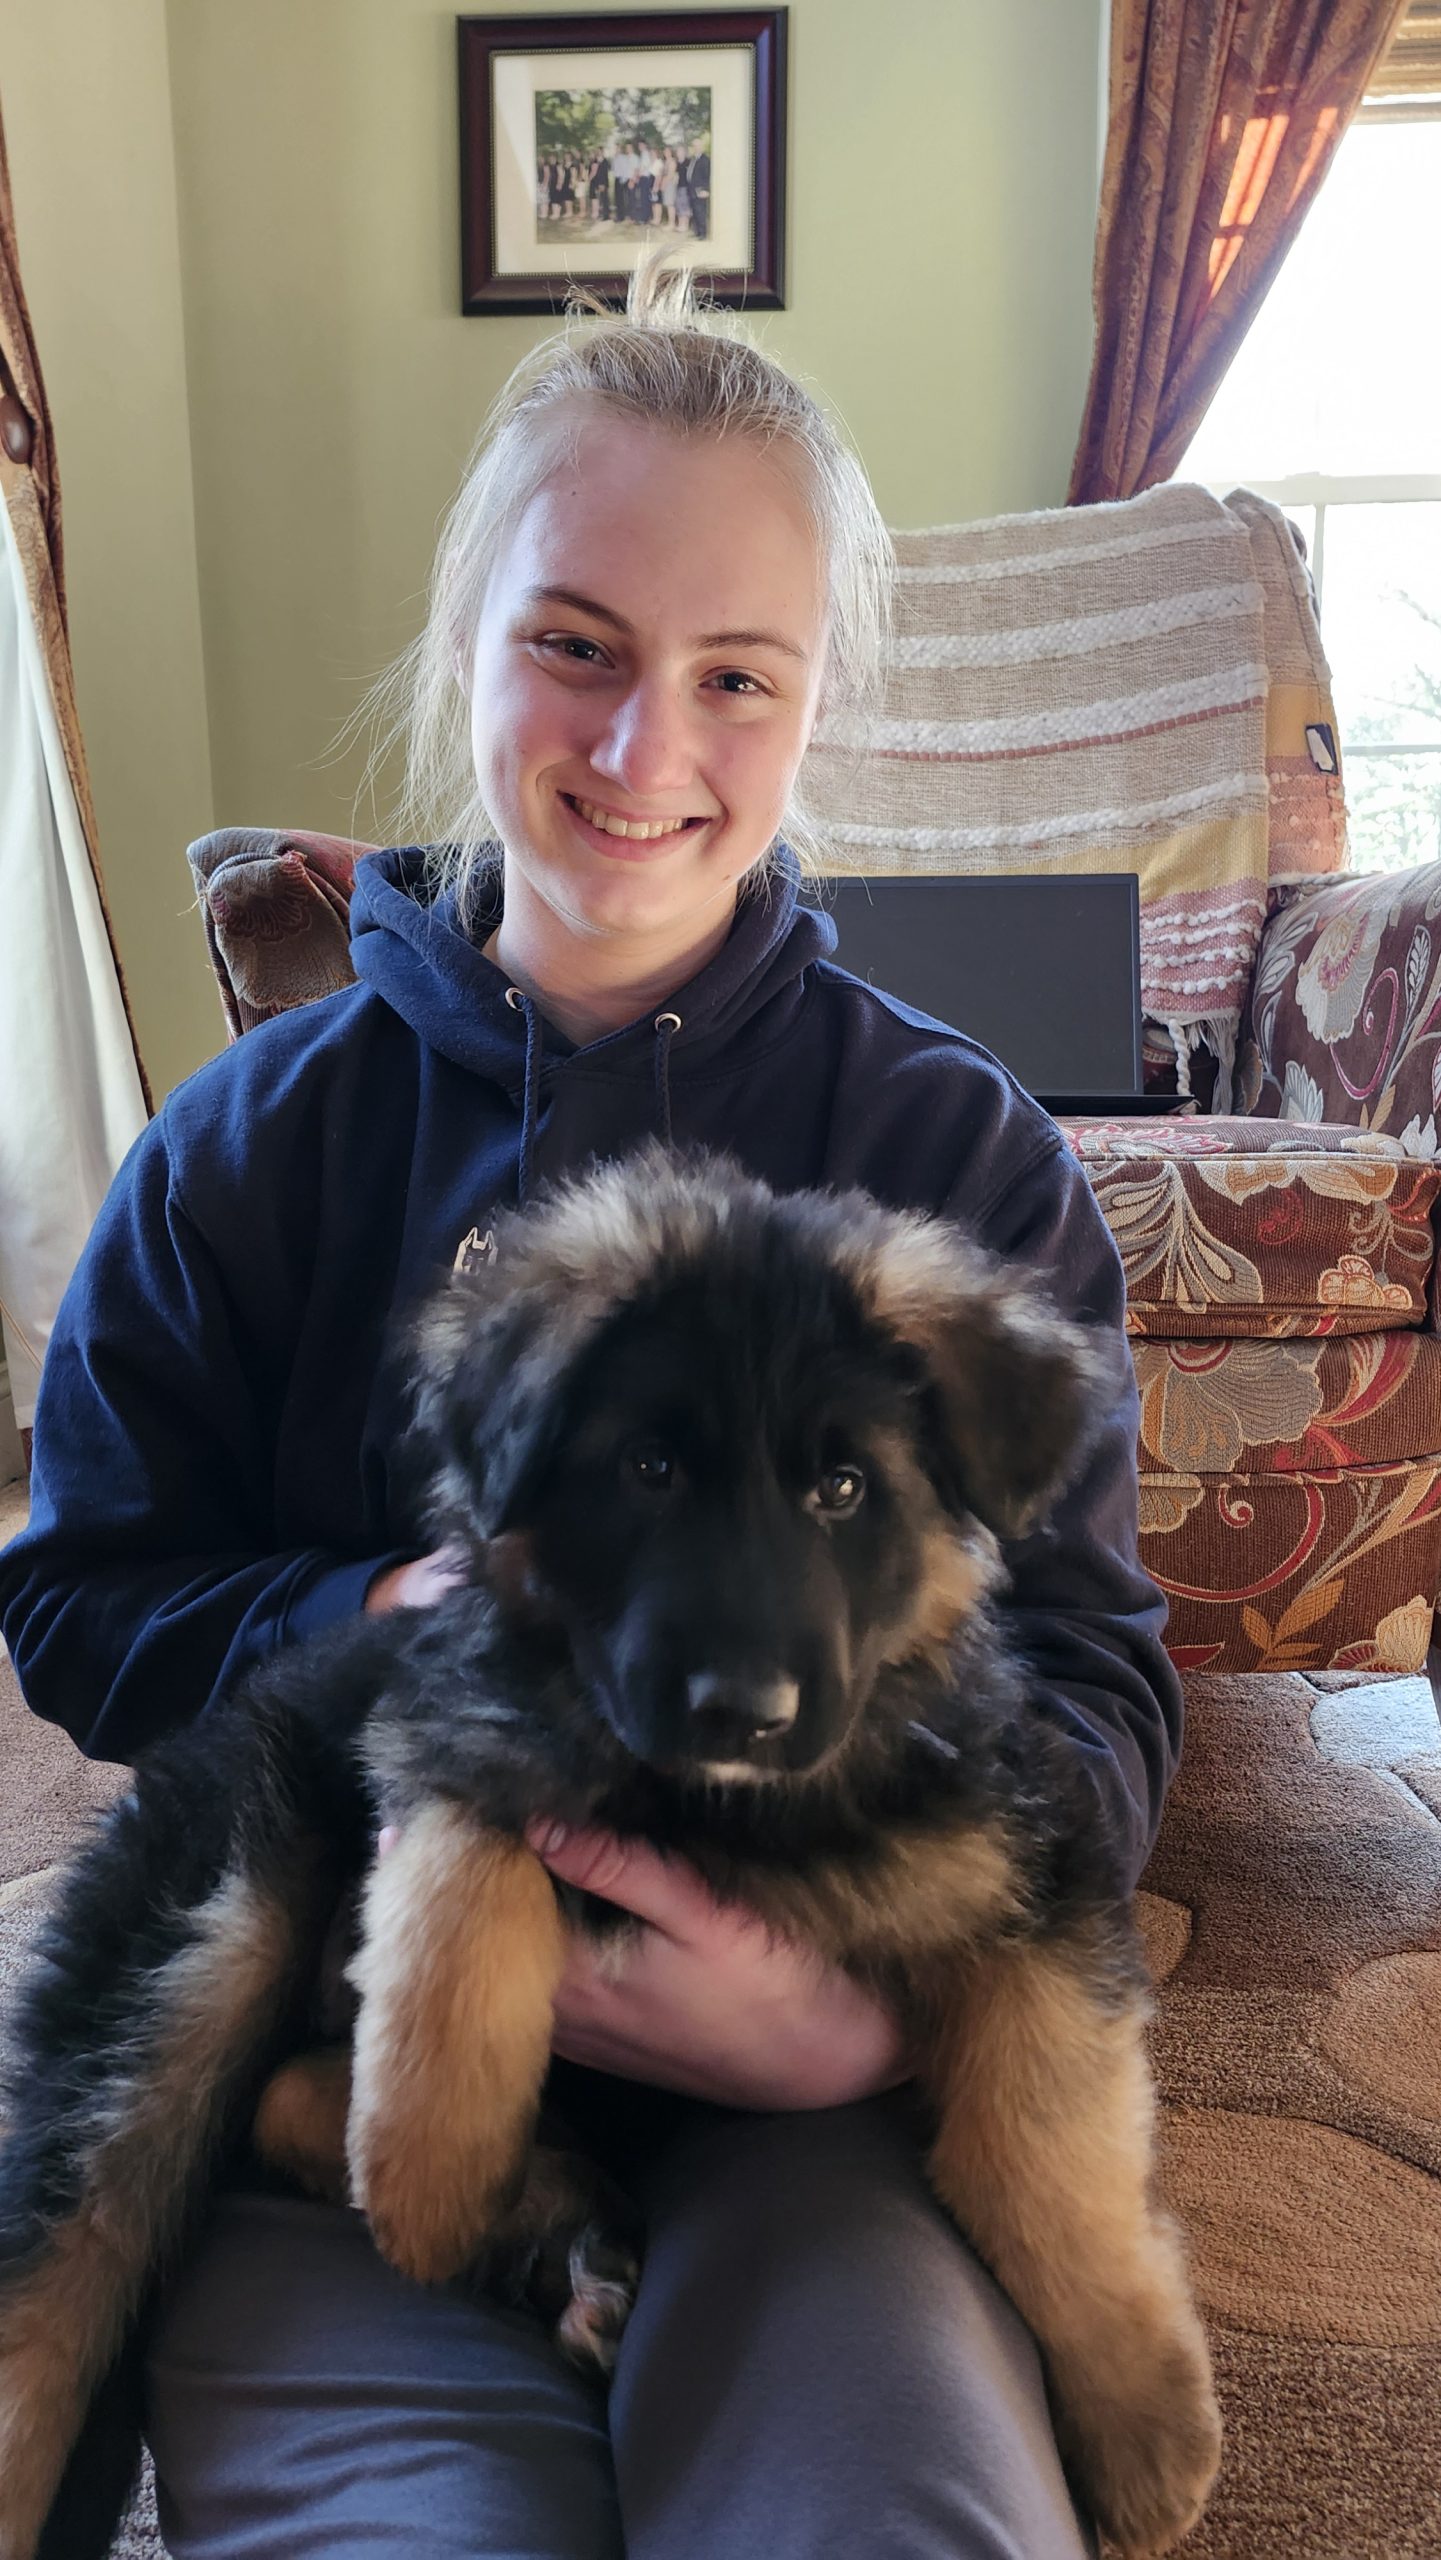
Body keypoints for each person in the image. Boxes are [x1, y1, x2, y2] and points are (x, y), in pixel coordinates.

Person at [0, 259, 1182, 2559]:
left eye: (736, 672)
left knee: (887, 2516)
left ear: (813, 702)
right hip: (371, 2020)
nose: (649, 749)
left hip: (817, 2094)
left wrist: (861, 2015)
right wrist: (379, 1613)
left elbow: (1099, 1673)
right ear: (465, 642)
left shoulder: (949, 1154)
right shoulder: (245, 1150)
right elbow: (75, 1605)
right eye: (574, 643)